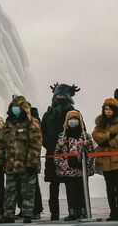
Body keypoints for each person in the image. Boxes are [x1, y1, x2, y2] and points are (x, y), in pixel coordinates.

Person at [0, 96, 42, 224]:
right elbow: (1, 144)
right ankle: (8, 214)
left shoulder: (31, 122)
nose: (15, 109)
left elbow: (36, 143)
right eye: (13, 107)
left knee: (27, 191)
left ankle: (28, 214)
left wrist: (32, 162)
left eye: (18, 107)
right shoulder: (8, 124)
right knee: (10, 190)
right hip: (10, 165)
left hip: (26, 165)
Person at [40, 83, 80, 220]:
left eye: (63, 95)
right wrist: (51, 145)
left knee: (71, 184)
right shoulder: (47, 115)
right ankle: (54, 212)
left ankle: (73, 211)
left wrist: (67, 146)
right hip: (52, 152)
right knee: (54, 185)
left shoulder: (74, 113)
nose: (60, 98)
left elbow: (80, 132)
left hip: (69, 154)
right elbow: (42, 133)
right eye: (58, 95)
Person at [92, 98, 118, 221]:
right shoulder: (100, 123)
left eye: (110, 109)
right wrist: (109, 136)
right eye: (105, 109)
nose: (107, 111)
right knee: (109, 187)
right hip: (105, 160)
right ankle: (113, 211)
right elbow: (95, 135)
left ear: (115, 110)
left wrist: (108, 143)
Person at [54, 110, 95, 221]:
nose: (73, 122)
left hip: (82, 170)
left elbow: (91, 153)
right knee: (70, 191)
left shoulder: (85, 136)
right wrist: (63, 165)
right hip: (68, 170)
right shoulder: (62, 137)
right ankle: (72, 212)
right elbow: (57, 154)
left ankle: (83, 211)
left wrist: (85, 164)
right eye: (70, 120)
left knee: (82, 191)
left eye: (75, 119)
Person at [15, 106, 44, 220]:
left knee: (33, 186)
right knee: (19, 186)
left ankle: (36, 210)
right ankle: (23, 209)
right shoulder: (17, 119)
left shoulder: (33, 118)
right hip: (19, 159)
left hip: (31, 159)